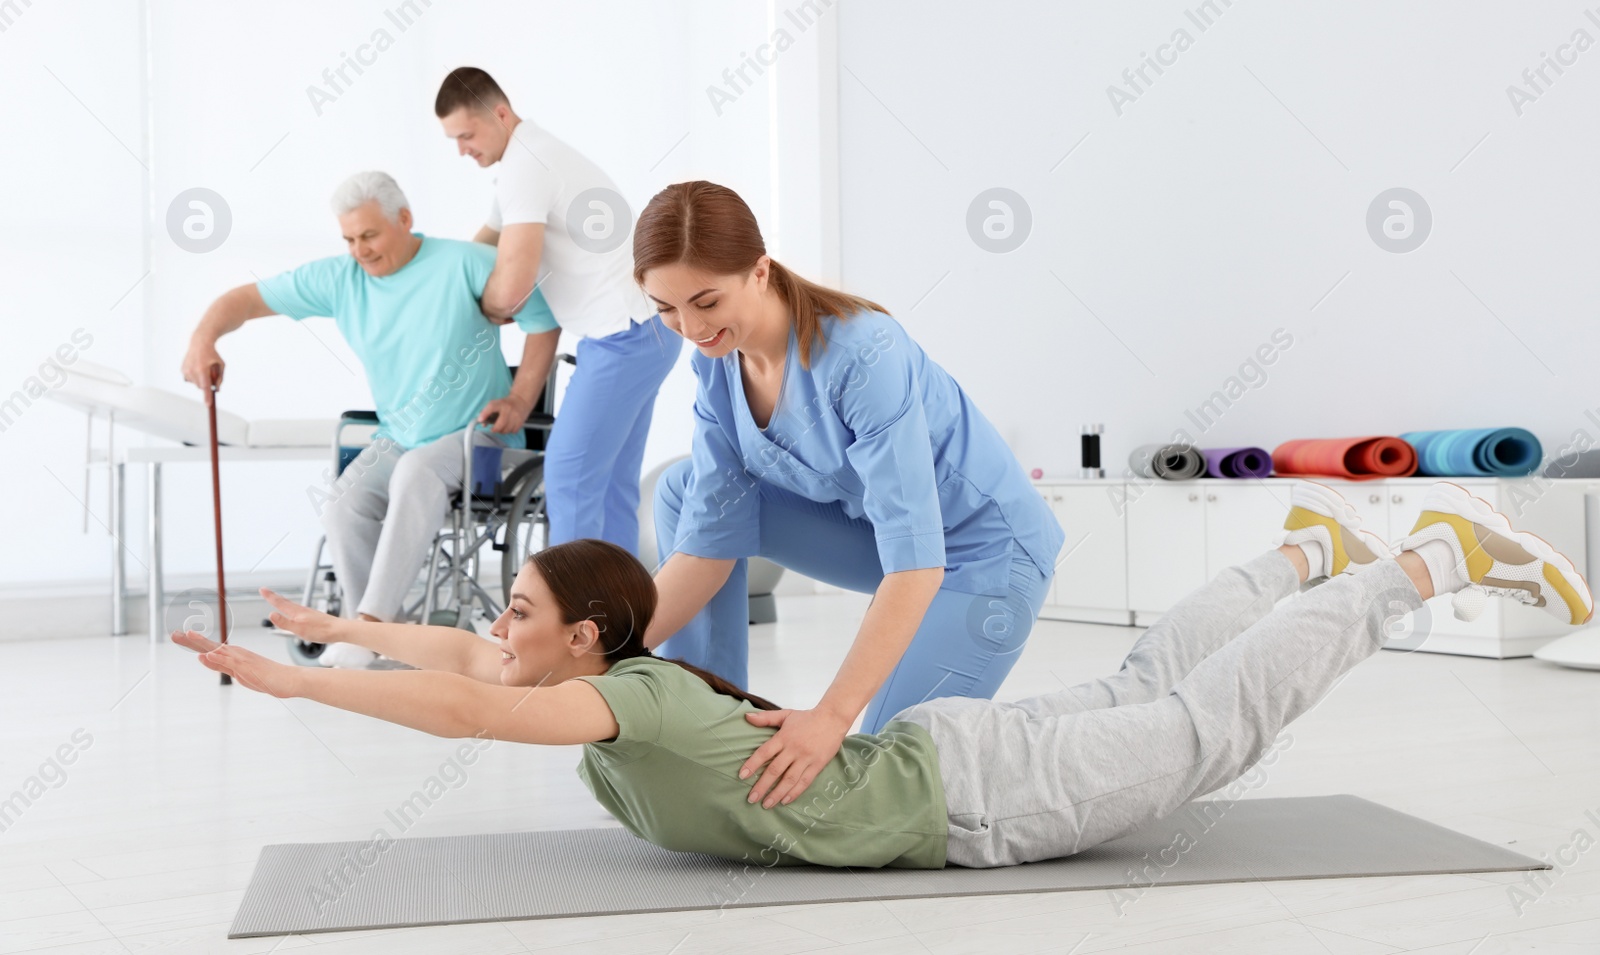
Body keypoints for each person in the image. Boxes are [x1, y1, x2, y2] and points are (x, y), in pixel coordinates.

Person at [174, 481, 1593, 868]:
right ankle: (1304, 550)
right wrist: (331, 623)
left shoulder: (625, 698)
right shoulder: (616, 673)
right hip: (961, 756)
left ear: (585, 636)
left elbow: (469, 698)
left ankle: (1431, 557)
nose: (502, 625)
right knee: (1158, 677)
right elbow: (458, 656)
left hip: (974, 799)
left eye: (523, 609)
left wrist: (298, 687)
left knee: (1211, 723)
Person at [631, 180, 1066, 808]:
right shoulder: (714, 362)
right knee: (682, 491)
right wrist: (602, 656)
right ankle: (705, 719)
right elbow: (706, 541)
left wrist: (829, 717)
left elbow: (916, 563)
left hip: (982, 556)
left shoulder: (864, 354)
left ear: (760, 270)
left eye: (705, 301)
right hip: (878, 542)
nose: (690, 328)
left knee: (880, 782)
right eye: (665, 309)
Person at [180, 171, 558, 668]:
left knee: (416, 471)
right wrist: (203, 340)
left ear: (404, 220)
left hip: (477, 437)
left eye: (370, 235)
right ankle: (387, 632)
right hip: (398, 436)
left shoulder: (465, 262)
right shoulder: (341, 278)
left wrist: (519, 399)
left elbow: (542, 322)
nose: (360, 249)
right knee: (343, 499)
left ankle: (368, 630)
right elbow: (244, 301)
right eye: (350, 239)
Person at [435, 66, 681, 555]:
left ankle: (569, 616)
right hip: (646, 330)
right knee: (610, 486)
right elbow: (482, 244)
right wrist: (441, 280)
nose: (461, 149)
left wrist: (486, 306)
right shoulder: (529, 158)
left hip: (625, 336)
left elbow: (513, 286)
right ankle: (614, 621)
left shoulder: (527, 167)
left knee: (569, 475)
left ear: (500, 114)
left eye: (467, 134)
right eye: (453, 139)